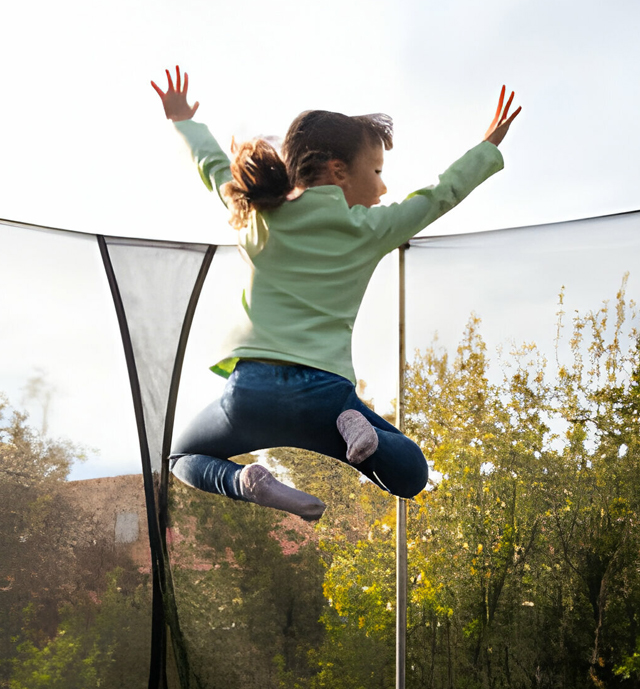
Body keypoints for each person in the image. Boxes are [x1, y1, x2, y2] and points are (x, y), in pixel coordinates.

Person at [152, 67, 520, 522]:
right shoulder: (370, 229)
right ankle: (363, 434)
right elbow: (441, 194)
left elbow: (212, 167)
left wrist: (182, 120)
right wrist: (487, 148)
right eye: (378, 171)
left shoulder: (258, 214)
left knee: (181, 458)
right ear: (339, 170)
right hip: (324, 399)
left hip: (251, 392)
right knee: (410, 474)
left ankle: (246, 481)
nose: (384, 187)